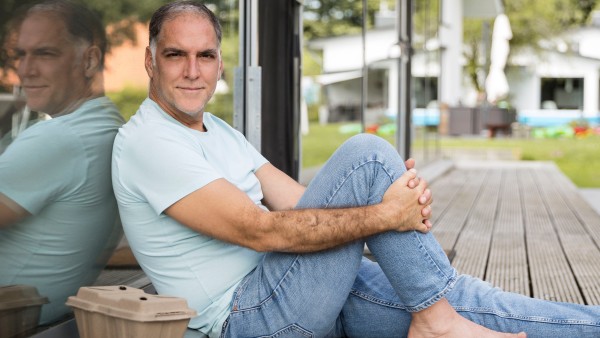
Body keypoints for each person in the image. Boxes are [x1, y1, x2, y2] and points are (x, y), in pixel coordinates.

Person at [112, 2, 600, 337]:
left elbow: (303, 204)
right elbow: (260, 231)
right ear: (151, 61)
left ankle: (443, 314)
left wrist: (389, 210)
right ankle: (436, 317)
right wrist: (388, 215)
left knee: (468, 300)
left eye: (205, 56)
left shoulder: (215, 130)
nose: (192, 70)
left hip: (294, 289)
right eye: (176, 55)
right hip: (250, 319)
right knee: (367, 155)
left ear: (221, 65)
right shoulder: (149, 141)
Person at [0, 0, 124, 325]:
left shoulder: (59, 139)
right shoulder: (106, 123)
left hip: (17, 319)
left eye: (45, 53)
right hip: (48, 316)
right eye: (20, 55)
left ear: (89, 60)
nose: (25, 69)